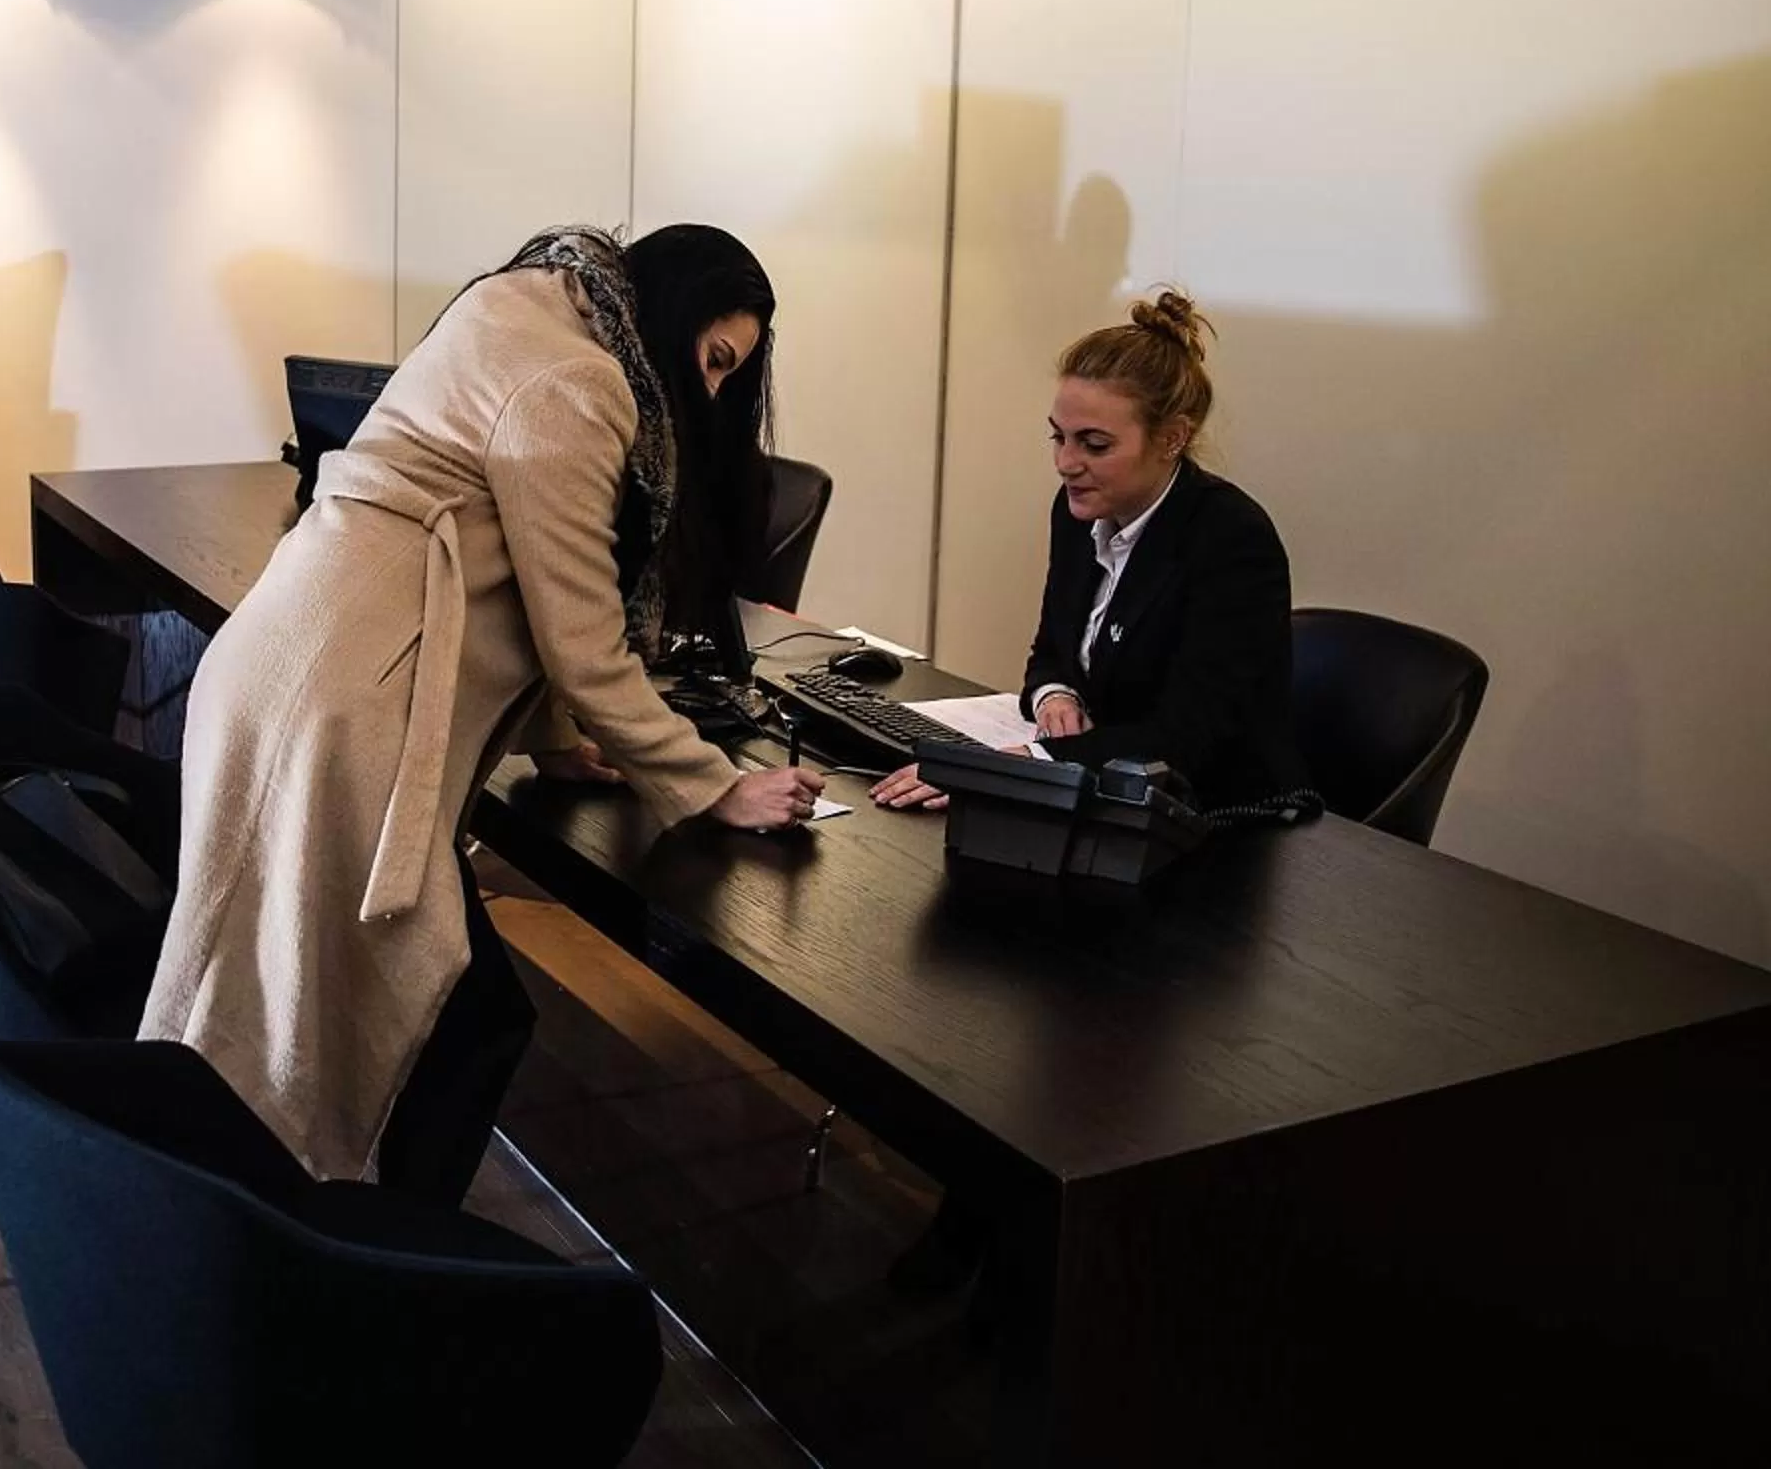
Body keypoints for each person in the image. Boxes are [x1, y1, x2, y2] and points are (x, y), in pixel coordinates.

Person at [142, 224, 826, 1198]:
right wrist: (715, 786)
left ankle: (231, 1221)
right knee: (366, 1012)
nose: (713, 394)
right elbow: (583, 644)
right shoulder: (582, 387)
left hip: (291, 666)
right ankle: (348, 1249)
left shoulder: (519, 302)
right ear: (674, 316)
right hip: (351, 703)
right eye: (715, 362)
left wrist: (553, 748)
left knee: (257, 989)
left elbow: (513, 572)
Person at [873, 289, 1304, 815]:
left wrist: (1030, 759)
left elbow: (1189, 738)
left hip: (1213, 824)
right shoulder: (1080, 511)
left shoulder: (1231, 539)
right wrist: (1056, 694)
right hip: (1106, 805)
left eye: (1094, 445)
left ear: (1171, 439)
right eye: (1058, 438)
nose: (1066, 463)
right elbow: (1051, 651)